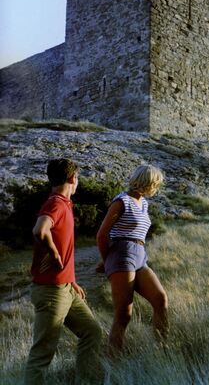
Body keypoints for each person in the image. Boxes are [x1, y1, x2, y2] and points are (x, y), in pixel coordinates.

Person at [25, 158, 103, 385]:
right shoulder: (56, 203)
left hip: (66, 287)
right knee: (42, 354)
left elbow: (62, 243)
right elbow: (40, 230)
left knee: (92, 332)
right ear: (72, 179)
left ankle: (85, 381)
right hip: (51, 291)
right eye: (77, 178)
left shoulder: (63, 204)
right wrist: (54, 253)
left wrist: (71, 280)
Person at [96, 164, 168, 355]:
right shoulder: (121, 201)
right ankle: (113, 360)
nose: (156, 189)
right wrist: (108, 261)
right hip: (122, 254)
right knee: (123, 314)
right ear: (147, 182)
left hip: (140, 256)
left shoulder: (144, 203)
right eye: (156, 184)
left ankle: (161, 349)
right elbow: (102, 235)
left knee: (160, 300)